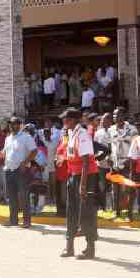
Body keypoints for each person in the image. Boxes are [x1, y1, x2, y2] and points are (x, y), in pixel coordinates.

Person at [59, 108, 99, 260]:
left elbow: (86, 162)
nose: (64, 122)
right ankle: (69, 247)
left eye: (67, 119)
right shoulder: (70, 133)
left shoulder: (83, 135)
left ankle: (90, 249)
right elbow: (69, 153)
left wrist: (83, 185)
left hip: (86, 177)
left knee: (87, 213)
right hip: (74, 176)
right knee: (71, 211)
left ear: (74, 120)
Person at [0, 117, 37, 228]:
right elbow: (5, 152)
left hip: (21, 170)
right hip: (9, 170)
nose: (12, 126)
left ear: (20, 125)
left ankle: (26, 221)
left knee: (23, 196)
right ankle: (13, 220)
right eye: (10, 124)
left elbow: (34, 151)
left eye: (15, 124)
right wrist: (2, 154)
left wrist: (25, 163)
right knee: (11, 197)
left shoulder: (26, 137)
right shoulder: (8, 138)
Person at [108, 109, 137, 218]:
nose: (115, 116)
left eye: (118, 114)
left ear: (124, 115)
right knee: (115, 189)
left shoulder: (132, 130)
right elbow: (109, 146)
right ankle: (117, 211)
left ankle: (130, 212)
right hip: (115, 164)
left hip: (127, 163)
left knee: (129, 188)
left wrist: (129, 160)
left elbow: (135, 147)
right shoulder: (111, 130)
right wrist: (108, 157)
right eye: (114, 114)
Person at [94, 113, 113, 210]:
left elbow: (113, 147)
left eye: (104, 120)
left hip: (112, 164)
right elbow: (95, 148)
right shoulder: (98, 132)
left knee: (112, 187)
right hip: (100, 165)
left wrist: (110, 157)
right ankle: (103, 207)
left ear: (110, 121)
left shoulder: (113, 131)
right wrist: (97, 158)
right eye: (102, 120)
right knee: (102, 186)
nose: (102, 121)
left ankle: (112, 207)